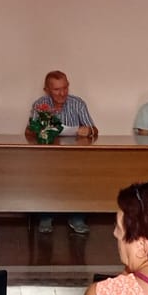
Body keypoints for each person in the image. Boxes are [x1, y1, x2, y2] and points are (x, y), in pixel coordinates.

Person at [29, 70, 98, 234]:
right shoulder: (40, 104)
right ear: (47, 90)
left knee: (81, 175)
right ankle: (45, 217)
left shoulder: (78, 103)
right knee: (42, 175)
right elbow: (29, 132)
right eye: (57, 89)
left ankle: (77, 217)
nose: (62, 93)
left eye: (65, 88)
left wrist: (88, 131)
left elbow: (94, 130)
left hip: (74, 155)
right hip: (47, 156)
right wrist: (38, 130)